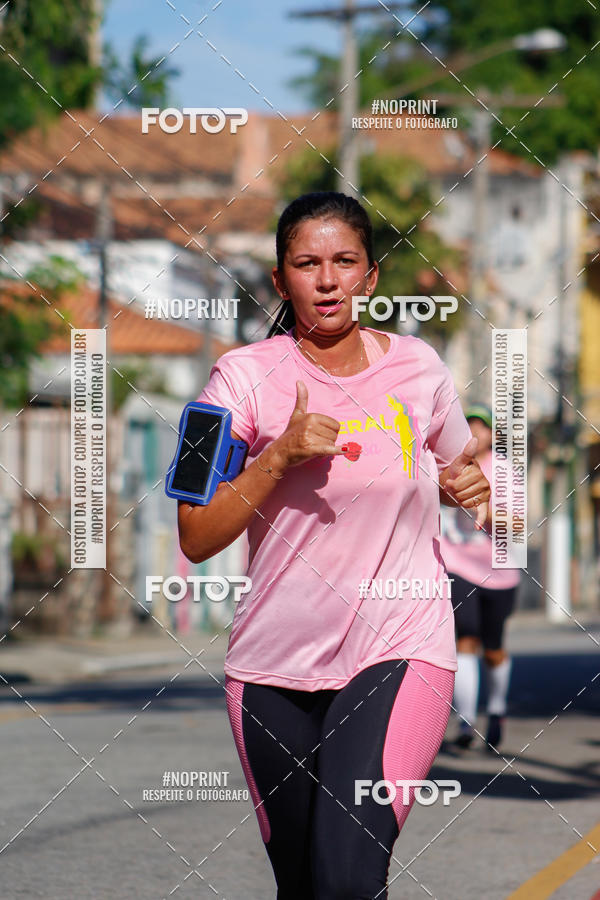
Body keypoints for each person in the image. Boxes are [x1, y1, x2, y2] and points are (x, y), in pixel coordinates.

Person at [178, 192, 490, 899]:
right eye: (307, 263)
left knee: (347, 878)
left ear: (370, 277)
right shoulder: (234, 379)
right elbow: (196, 537)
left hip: (400, 643)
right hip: (271, 666)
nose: (327, 280)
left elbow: (450, 463)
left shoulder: (418, 367)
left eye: (344, 262)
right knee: (303, 883)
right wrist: (279, 456)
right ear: (281, 278)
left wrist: (462, 485)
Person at [439, 404, 520, 752]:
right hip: (458, 566)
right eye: (468, 426)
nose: (475, 433)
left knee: (494, 649)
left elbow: (516, 526)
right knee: (466, 640)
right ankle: (467, 722)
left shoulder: (504, 472)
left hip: (499, 572)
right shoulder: (448, 467)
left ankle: (497, 710)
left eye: (481, 427)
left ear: (492, 434)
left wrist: (484, 512)